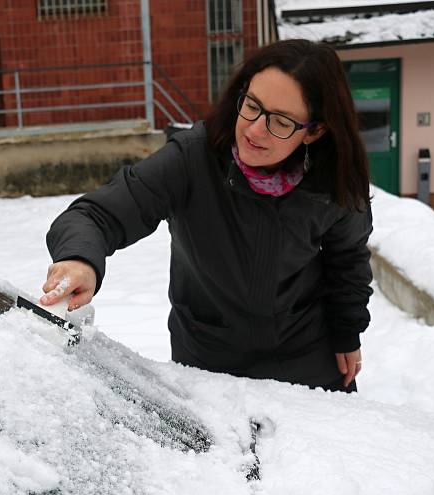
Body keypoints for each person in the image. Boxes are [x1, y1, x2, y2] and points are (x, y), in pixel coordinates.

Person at [40, 39, 373, 393]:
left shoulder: (331, 179)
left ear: (315, 130)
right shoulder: (192, 159)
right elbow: (96, 215)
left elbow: (347, 259)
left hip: (307, 362)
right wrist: (80, 259)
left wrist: (346, 332)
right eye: (252, 105)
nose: (255, 129)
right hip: (209, 367)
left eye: (280, 122)